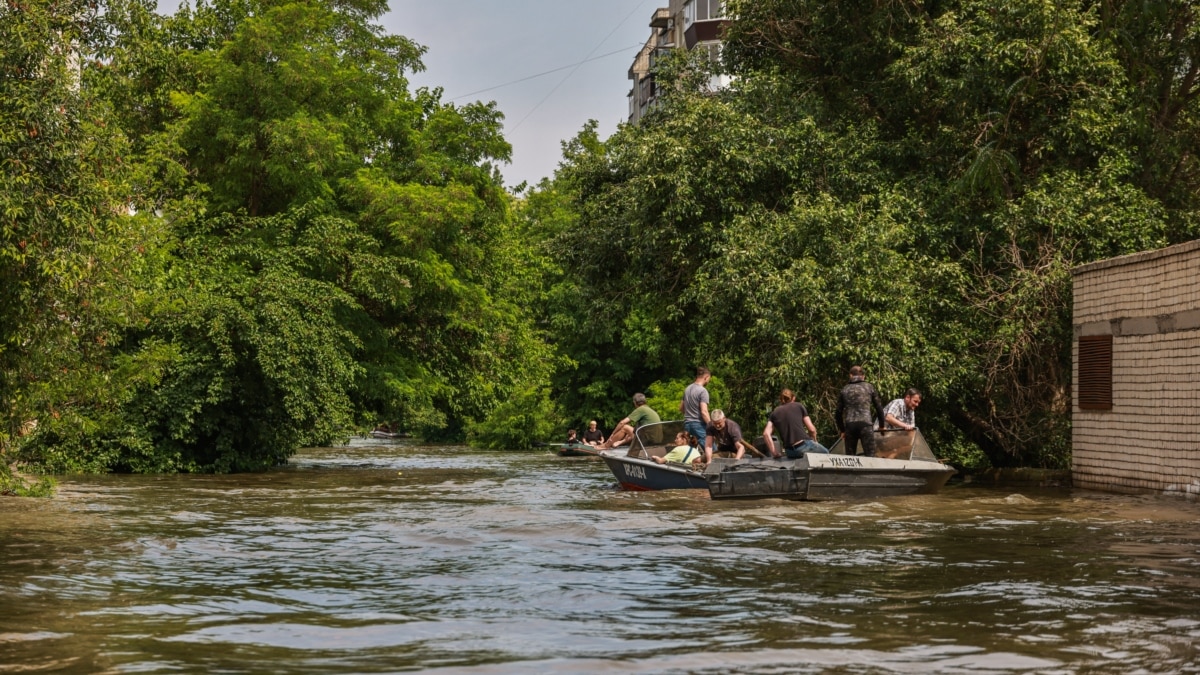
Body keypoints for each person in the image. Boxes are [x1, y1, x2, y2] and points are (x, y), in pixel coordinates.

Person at [835, 366, 886, 457]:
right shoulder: (869, 387)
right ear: (863, 376)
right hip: (865, 424)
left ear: (850, 375)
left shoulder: (845, 389)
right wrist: (881, 426)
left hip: (850, 426)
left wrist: (842, 430)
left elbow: (838, 413)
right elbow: (879, 408)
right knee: (871, 457)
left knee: (850, 459)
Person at [763, 388, 827, 459]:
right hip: (803, 446)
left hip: (790, 451)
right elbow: (812, 429)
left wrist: (774, 453)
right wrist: (815, 441)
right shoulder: (799, 406)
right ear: (793, 398)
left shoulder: (774, 413)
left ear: (780, 400)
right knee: (826, 454)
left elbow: (766, 433)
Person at [679, 367, 711, 452]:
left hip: (687, 425)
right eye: (709, 379)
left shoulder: (687, 389)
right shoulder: (703, 391)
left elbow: (681, 408)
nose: (708, 381)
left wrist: (690, 413)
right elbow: (704, 412)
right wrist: (711, 425)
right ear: (706, 377)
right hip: (698, 425)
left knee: (689, 450)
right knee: (711, 448)